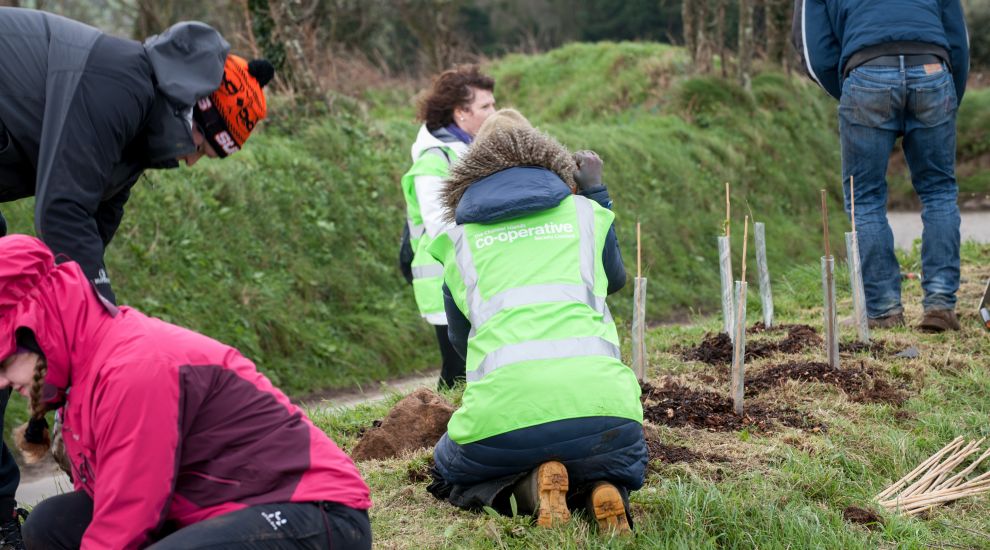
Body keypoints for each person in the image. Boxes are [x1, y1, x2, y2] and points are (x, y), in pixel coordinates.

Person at [0, 10, 274, 542]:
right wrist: (94, 340)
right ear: (195, 104)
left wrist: (95, 340)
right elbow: (61, 214)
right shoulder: (116, 80)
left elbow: (92, 233)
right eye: (205, 145)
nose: (194, 162)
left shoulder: (136, 128)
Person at [0, 234, 372, 549]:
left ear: (38, 329)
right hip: (209, 512)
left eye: (3, 363)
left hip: (313, 512)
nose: (2, 382)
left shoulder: (133, 369)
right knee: (52, 524)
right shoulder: (84, 375)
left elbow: (127, 516)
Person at [425, 110, 647, 533]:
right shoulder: (584, 215)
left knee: (447, 470)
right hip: (610, 416)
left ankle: (533, 488)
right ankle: (604, 488)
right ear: (546, 155)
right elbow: (615, 280)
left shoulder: (459, 242)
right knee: (599, 454)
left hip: (506, 419)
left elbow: (461, 342)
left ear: (472, 168)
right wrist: (595, 192)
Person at [793, 0, 970, 332]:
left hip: (866, 70)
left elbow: (813, 50)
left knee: (865, 198)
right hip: (933, 68)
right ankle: (940, 304)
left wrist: (852, 90)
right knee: (939, 191)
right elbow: (959, 41)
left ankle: (884, 310)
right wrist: (948, 96)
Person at [399, 65, 496, 389]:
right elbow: (440, 225)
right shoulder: (433, 161)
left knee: (473, 364)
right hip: (445, 278)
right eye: (486, 106)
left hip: (471, 274)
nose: (494, 112)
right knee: (458, 368)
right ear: (461, 113)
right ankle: (440, 429)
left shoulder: (470, 150)